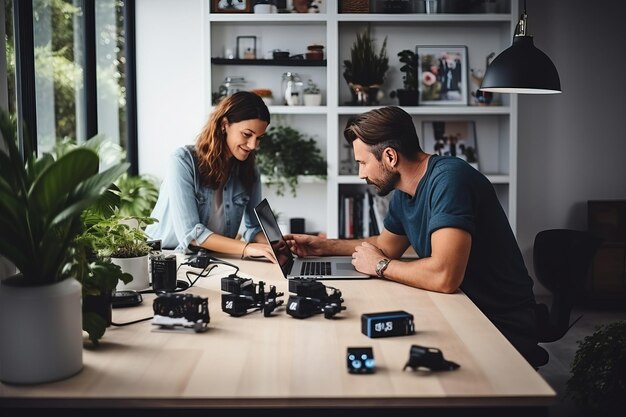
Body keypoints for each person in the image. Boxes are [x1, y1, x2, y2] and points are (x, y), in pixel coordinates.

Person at [285, 106, 542, 365]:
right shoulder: (404, 192)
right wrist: (323, 246)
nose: (361, 173)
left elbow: (445, 276)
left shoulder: (450, 181)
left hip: (499, 322)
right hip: (462, 307)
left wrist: (379, 266)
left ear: (390, 157)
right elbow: (385, 246)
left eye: (362, 163)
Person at [146, 91, 275, 262]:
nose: (253, 145)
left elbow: (254, 226)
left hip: (212, 260)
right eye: (246, 134)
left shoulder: (249, 169)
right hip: (164, 258)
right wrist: (246, 248)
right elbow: (191, 234)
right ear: (224, 124)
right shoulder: (182, 161)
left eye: (259, 138)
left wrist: (275, 247)